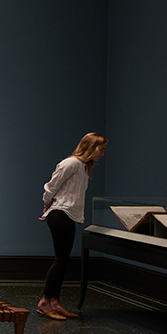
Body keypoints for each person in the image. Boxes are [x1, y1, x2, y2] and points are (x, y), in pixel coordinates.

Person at [38, 132, 107, 320]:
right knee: (61, 259)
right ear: (91, 147)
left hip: (68, 215)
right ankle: (45, 302)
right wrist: (47, 203)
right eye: (101, 150)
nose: (102, 154)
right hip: (60, 214)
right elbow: (51, 186)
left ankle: (54, 302)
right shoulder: (71, 163)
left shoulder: (83, 167)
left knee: (63, 259)